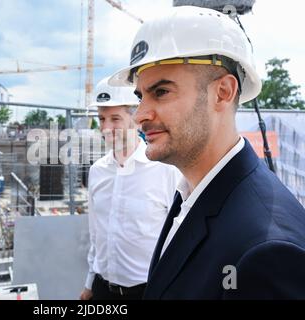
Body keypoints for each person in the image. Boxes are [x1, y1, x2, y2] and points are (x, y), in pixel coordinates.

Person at [109, 5, 305, 299]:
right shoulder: (192, 191)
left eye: (161, 92)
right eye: (141, 96)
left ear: (223, 92)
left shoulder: (267, 249)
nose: (140, 115)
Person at [80, 76, 181, 300]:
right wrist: (89, 284)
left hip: (148, 291)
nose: (106, 128)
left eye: (115, 118)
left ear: (136, 118)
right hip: (103, 289)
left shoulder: (165, 170)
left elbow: (178, 240)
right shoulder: (97, 171)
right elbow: (97, 235)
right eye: (102, 119)